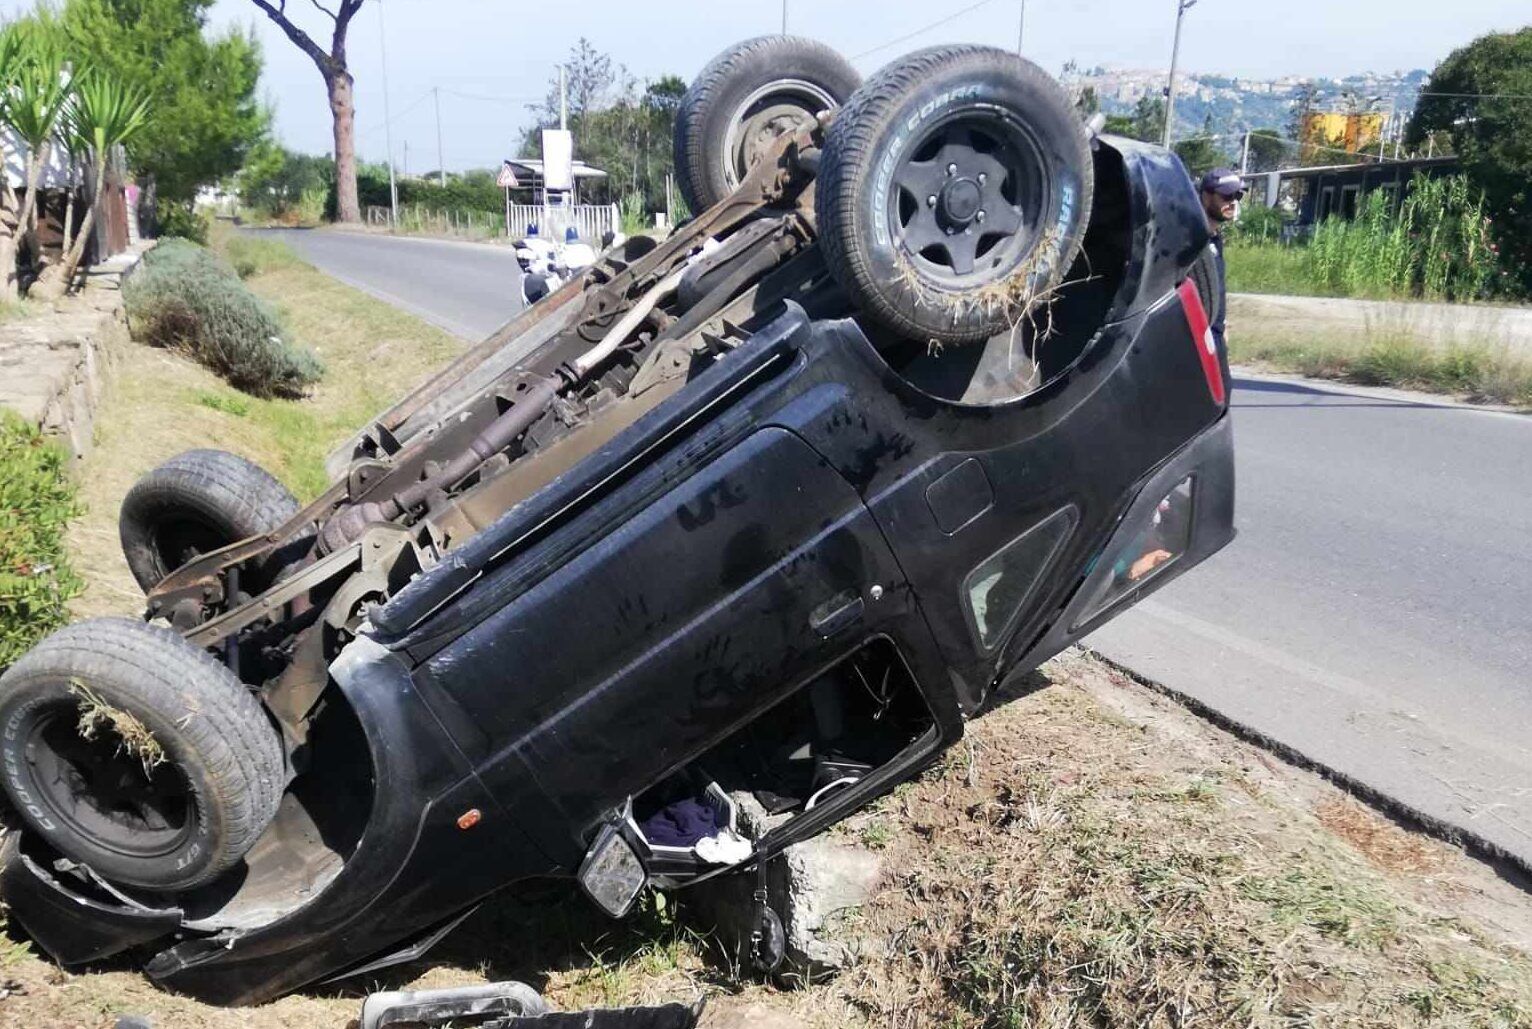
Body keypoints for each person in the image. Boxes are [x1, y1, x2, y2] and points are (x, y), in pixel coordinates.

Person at [1198, 168, 1244, 353]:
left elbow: (1216, 288)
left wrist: (1222, 324)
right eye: (1226, 196)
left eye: (1237, 196)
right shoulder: (1193, 240)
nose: (1233, 202)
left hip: (1216, 335)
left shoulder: (1215, 238)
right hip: (1197, 339)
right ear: (1206, 197)